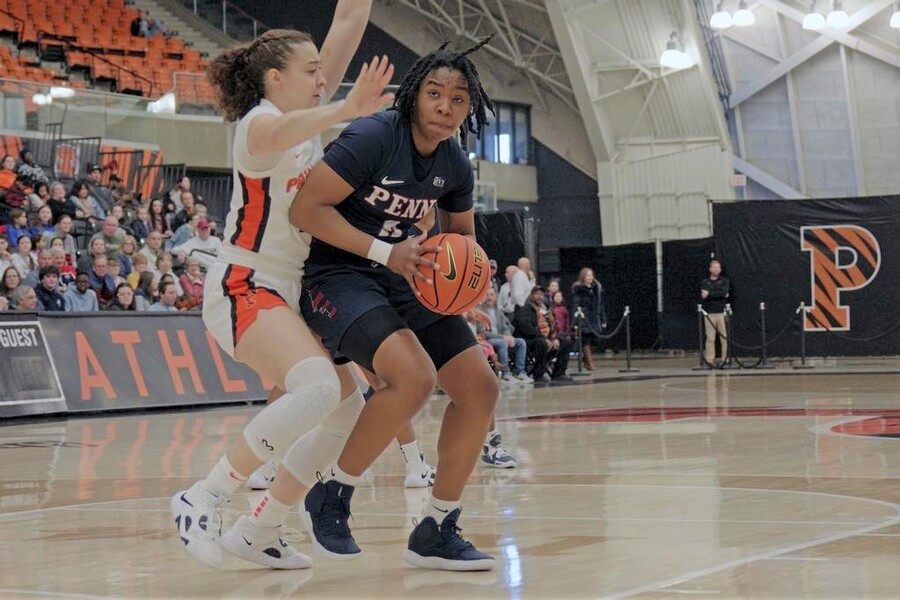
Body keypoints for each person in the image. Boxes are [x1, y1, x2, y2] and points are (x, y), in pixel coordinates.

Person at [171, 9, 394, 572]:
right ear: (276, 77)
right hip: (244, 282)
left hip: (287, 290)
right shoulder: (260, 123)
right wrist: (345, 109)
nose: (324, 78)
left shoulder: (304, 113)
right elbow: (281, 132)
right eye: (312, 70)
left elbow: (347, 25)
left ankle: (261, 527)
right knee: (319, 388)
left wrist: (356, 20)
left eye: (324, 71)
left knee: (347, 404)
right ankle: (202, 498)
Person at [292, 38, 499, 571]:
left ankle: (437, 524)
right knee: (413, 376)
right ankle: (333, 493)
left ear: (468, 109)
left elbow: (461, 242)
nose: (445, 107)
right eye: (434, 93)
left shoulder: (454, 162)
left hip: (405, 272)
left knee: (479, 387)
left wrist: (474, 284)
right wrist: (387, 251)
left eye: (457, 100)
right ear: (415, 96)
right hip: (338, 273)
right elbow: (305, 209)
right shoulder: (372, 136)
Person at [514, 285, 571, 382]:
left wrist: (555, 338)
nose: (539, 296)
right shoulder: (525, 309)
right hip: (529, 339)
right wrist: (545, 338)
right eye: (537, 294)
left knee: (565, 342)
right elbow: (527, 329)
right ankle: (538, 374)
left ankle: (558, 373)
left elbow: (554, 327)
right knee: (542, 343)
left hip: (545, 337)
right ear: (531, 295)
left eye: (541, 294)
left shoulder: (546, 309)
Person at [571, 267, 606, 372]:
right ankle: (590, 364)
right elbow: (576, 305)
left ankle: (585, 359)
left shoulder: (597, 288)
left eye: (591, 275)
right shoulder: (579, 290)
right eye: (587, 275)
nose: (590, 277)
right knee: (585, 341)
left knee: (596, 341)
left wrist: (603, 319)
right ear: (583, 277)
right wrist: (575, 321)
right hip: (584, 318)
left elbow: (600, 305)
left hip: (595, 318)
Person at [701, 259, 730, 367]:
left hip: (721, 312)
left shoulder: (725, 281)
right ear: (710, 269)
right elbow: (704, 295)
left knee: (724, 337)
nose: (716, 269)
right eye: (714, 267)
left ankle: (725, 359)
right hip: (709, 313)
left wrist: (710, 293)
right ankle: (709, 360)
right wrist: (718, 293)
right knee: (710, 338)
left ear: (721, 269)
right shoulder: (705, 282)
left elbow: (724, 293)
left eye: (718, 267)